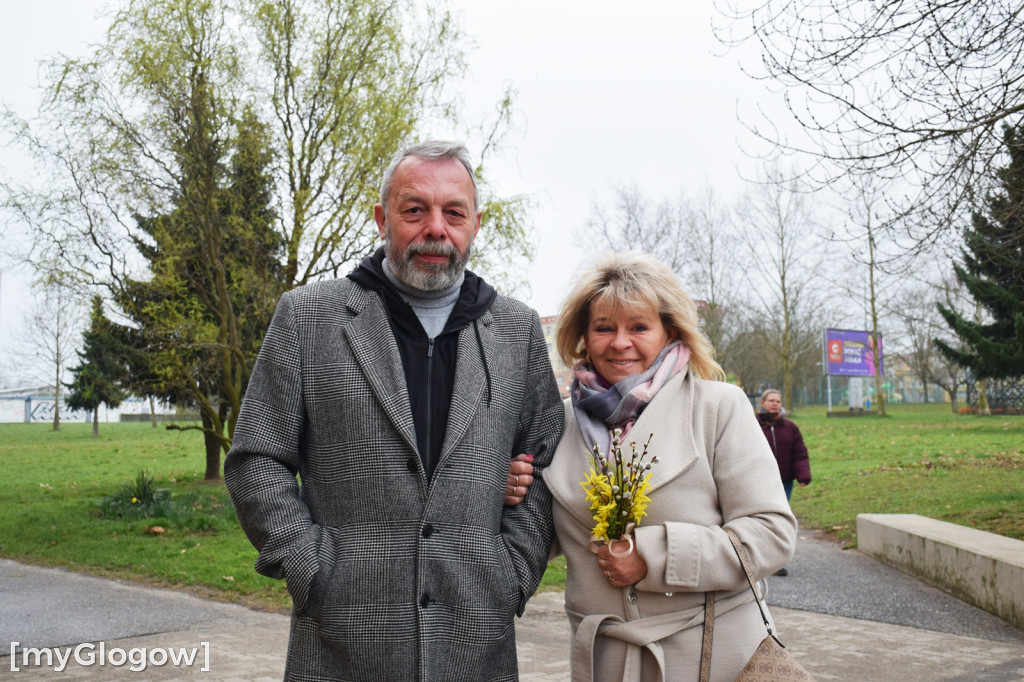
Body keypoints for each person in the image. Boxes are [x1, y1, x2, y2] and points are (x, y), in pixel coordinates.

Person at [224, 140, 564, 681]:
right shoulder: (309, 319)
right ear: (383, 218)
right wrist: (310, 568)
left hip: (475, 639)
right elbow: (256, 461)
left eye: (454, 212)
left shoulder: (516, 331)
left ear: (476, 223)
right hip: (343, 641)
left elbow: (549, 458)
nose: (436, 228)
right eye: (414, 210)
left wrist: (513, 573)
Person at [513, 252, 797, 681]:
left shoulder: (717, 408)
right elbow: (545, 534)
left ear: (669, 332)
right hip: (605, 662)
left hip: (715, 660)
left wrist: (655, 556)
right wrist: (507, 487)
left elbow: (772, 533)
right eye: (603, 328)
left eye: (639, 327)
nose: (620, 342)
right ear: (584, 338)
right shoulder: (558, 422)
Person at [756, 389, 811, 576]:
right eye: (771, 400)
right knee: (759, 519)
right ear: (762, 403)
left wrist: (803, 475)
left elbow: (800, 453)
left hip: (784, 482)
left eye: (778, 401)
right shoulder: (751, 424)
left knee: (778, 520)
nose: (775, 404)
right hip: (757, 481)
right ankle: (756, 557)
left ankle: (774, 561)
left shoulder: (790, 427)